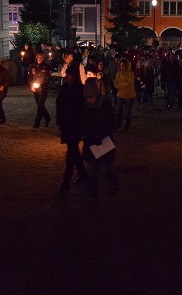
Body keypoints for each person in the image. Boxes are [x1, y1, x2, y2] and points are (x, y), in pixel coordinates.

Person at [80, 78, 118, 202]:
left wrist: (101, 135)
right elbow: (83, 124)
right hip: (91, 142)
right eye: (87, 98)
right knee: (91, 171)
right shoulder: (84, 106)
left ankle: (113, 182)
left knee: (104, 170)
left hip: (103, 141)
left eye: (91, 98)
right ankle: (93, 196)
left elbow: (110, 123)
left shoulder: (105, 104)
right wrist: (88, 135)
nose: (89, 100)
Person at [55, 63, 88, 192]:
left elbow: (81, 108)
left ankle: (66, 182)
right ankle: (83, 174)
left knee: (71, 153)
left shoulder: (80, 89)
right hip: (66, 124)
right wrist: (60, 120)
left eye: (68, 75)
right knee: (73, 151)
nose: (66, 76)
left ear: (74, 76)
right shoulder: (64, 88)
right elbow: (59, 104)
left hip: (75, 125)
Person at [27, 51, 52, 129]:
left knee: (40, 104)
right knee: (39, 105)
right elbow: (29, 77)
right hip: (35, 88)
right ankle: (47, 118)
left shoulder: (46, 66)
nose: (40, 58)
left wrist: (43, 84)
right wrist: (31, 86)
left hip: (43, 88)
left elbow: (48, 78)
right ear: (36, 57)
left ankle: (37, 124)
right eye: (39, 57)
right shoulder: (32, 66)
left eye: (41, 57)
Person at [113, 58, 136, 130]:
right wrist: (122, 85)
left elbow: (129, 83)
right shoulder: (118, 73)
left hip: (129, 95)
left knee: (127, 111)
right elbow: (115, 83)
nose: (121, 67)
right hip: (120, 94)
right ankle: (118, 124)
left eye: (123, 65)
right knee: (117, 110)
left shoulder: (131, 74)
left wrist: (120, 84)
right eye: (120, 65)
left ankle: (127, 125)